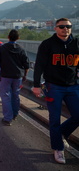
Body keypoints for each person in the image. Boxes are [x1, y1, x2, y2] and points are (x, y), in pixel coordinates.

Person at [32, 18, 79, 164]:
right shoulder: (47, 44)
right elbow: (39, 65)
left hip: (73, 86)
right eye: (62, 26)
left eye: (68, 26)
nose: (66, 29)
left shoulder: (77, 43)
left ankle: (61, 134)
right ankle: (58, 148)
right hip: (54, 86)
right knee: (54, 119)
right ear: (55, 28)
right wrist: (36, 85)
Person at [0, 29, 29, 126]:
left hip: (6, 76)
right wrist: (25, 75)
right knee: (15, 95)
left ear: (8, 37)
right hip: (18, 77)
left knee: (6, 96)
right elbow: (26, 65)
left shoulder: (3, 48)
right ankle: (15, 114)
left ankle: (7, 118)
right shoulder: (21, 49)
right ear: (18, 38)